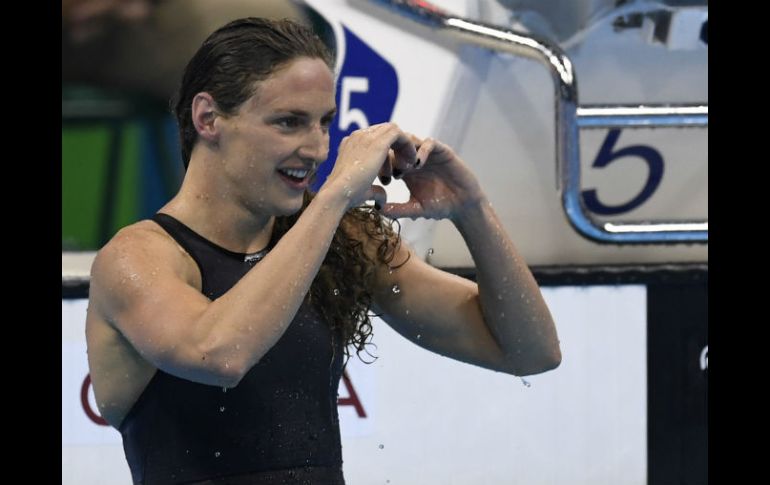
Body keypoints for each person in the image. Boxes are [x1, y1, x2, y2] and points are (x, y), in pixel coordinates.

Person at [85, 17, 562, 485]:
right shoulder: (138, 258)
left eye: (324, 123)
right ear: (208, 118)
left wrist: (472, 208)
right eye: (289, 122)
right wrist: (334, 197)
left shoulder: (341, 238)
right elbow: (219, 354)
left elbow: (528, 351)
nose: (315, 148)